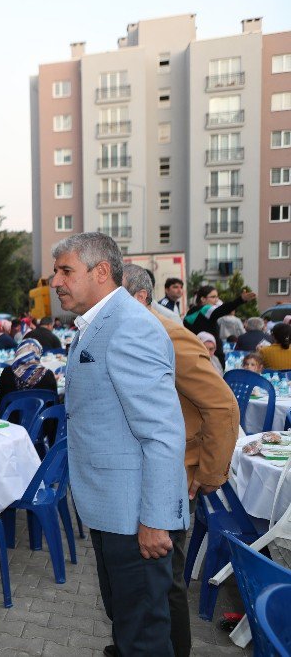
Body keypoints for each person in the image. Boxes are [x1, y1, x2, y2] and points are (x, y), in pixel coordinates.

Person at [50, 232, 187, 656]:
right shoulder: (101, 322)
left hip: (136, 518)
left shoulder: (129, 327)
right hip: (114, 511)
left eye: (66, 271)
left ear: (102, 272)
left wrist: (155, 520)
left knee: (142, 636)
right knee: (128, 625)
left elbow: (162, 432)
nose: (55, 281)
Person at [122, 263, 240, 657]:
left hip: (176, 475)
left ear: (139, 298)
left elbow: (223, 406)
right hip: (145, 472)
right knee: (147, 580)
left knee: (167, 580)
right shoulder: (134, 331)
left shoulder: (170, 335)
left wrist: (208, 475)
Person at [183, 284, 256, 367]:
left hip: (195, 354)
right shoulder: (206, 309)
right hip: (211, 356)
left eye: (217, 297)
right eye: (213, 297)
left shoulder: (191, 312)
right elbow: (223, 309)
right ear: (203, 299)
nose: (216, 300)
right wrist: (241, 300)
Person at [0, 339, 58, 419]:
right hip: (41, 425)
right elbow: (54, 404)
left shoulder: (7, 372)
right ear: (38, 353)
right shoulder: (48, 374)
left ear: (19, 352)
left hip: (10, 423)